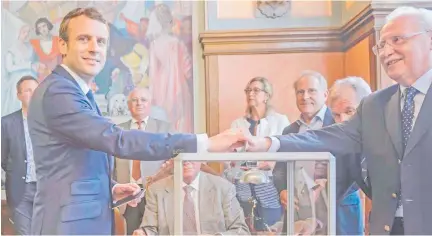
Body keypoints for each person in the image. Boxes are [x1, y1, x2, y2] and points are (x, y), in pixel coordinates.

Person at [27, 8, 247, 235]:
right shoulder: (59, 92)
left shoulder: (77, 92)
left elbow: (70, 166)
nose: (95, 48)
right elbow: (117, 140)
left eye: (101, 41)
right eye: (84, 39)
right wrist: (204, 144)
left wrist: (109, 190)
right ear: (62, 45)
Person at [247, 6, 432, 235]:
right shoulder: (376, 104)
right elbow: (330, 137)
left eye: (397, 39)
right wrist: (268, 143)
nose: (386, 52)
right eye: (382, 45)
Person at [273, 72, 370, 235]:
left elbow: (357, 168)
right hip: (300, 210)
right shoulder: (289, 130)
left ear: (325, 95)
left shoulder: (342, 123)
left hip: (339, 211)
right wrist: (283, 189)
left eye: (311, 91)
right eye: (300, 92)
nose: (305, 97)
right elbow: (280, 168)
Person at [227, 77, 289, 232]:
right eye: (248, 90)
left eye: (256, 90)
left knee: (271, 229)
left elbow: (288, 152)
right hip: (243, 188)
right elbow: (230, 159)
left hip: (271, 189)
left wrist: (273, 163)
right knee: (246, 228)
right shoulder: (237, 124)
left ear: (267, 95)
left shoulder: (280, 121)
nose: (250, 94)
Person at [114, 87, 173, 234]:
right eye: (134, 100)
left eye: (143, 100)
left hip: (156, 195)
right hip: (127, 197)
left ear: (150, 104)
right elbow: (110, 166)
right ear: (128, 105)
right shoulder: (118, 131)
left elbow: (173, 162)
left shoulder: (165, 129)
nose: (139, 103)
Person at [133, 161, 250, 235]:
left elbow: (241, 231)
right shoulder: (156, 190)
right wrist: (143, 233)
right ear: (173, 160)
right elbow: (150, 229)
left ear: (201, 159)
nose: (186, 161)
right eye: (181, 155)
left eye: (192, 155)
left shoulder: (224, 188)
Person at [1, 76, 39, 234]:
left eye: (36, 90)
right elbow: (3, 157)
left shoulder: (50, 122)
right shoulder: (7, 123)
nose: (33, 94)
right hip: (20, 191)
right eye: (28, 91)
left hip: (45, 191)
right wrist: (14, 171)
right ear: (18, 95)